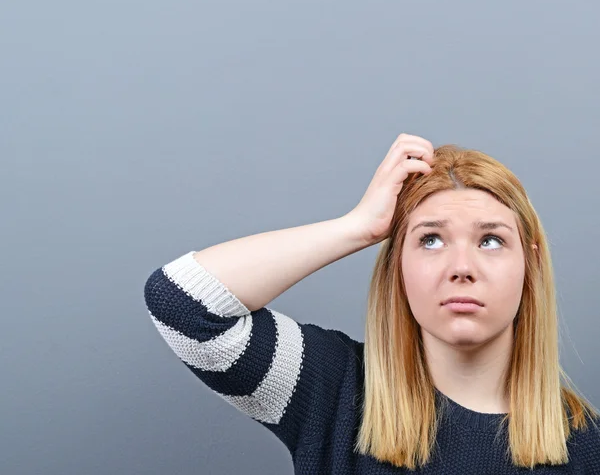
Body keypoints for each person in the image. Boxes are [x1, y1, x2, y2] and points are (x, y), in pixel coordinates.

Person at [143, 132, 600, 472]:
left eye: (492, 241)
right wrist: (358, 227)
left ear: (530, 265)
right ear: (398, 265)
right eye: (432, 240)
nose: (462, 267)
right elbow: (182, 302)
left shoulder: (587, 447)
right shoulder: (336, 390)